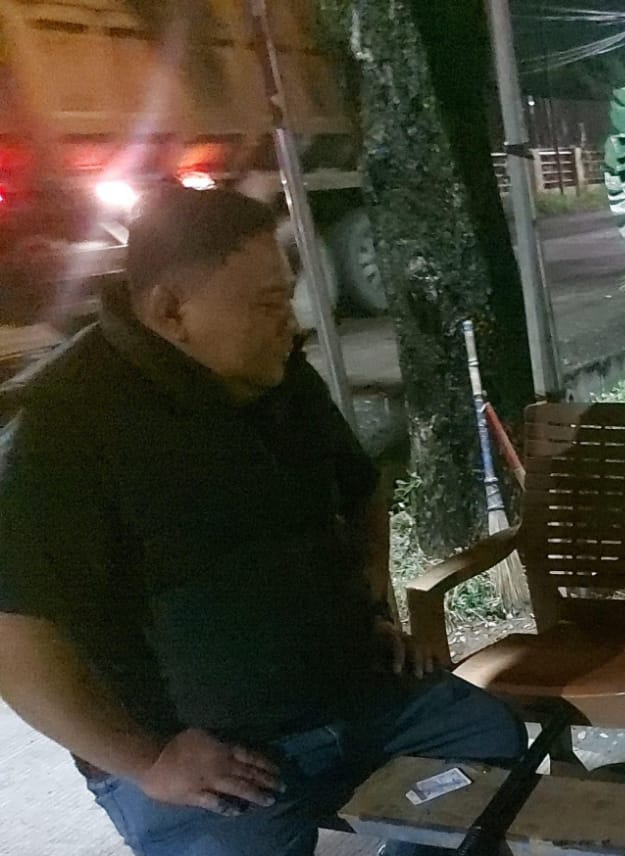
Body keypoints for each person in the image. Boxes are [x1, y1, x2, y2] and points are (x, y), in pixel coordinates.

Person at [0, 186, 525, 856]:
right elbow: (14, 638)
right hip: (208, 758)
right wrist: (147, 760)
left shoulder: (279, 379)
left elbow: (361, 491)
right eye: (269, 303)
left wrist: (368, 602)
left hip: (351, 698)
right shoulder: (61, 425)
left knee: (485, 738)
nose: (291, 322)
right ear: (171, 311)